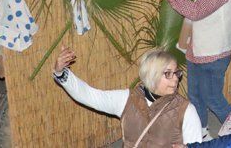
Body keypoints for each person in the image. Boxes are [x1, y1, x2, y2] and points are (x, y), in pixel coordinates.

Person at [156, 0, 231, 138]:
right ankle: (201, 132)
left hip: (212, 53)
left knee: (212, 98)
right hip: (204, 49)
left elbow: (195, 11)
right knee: (195, 95)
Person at [53, 47, 202, 145]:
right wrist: (61, 73)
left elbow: (196, 146)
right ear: (152, 76)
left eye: (176, 73)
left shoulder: (186, 111)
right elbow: (90, 95)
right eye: (168, 74)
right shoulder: (126, 100)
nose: (176, 78)